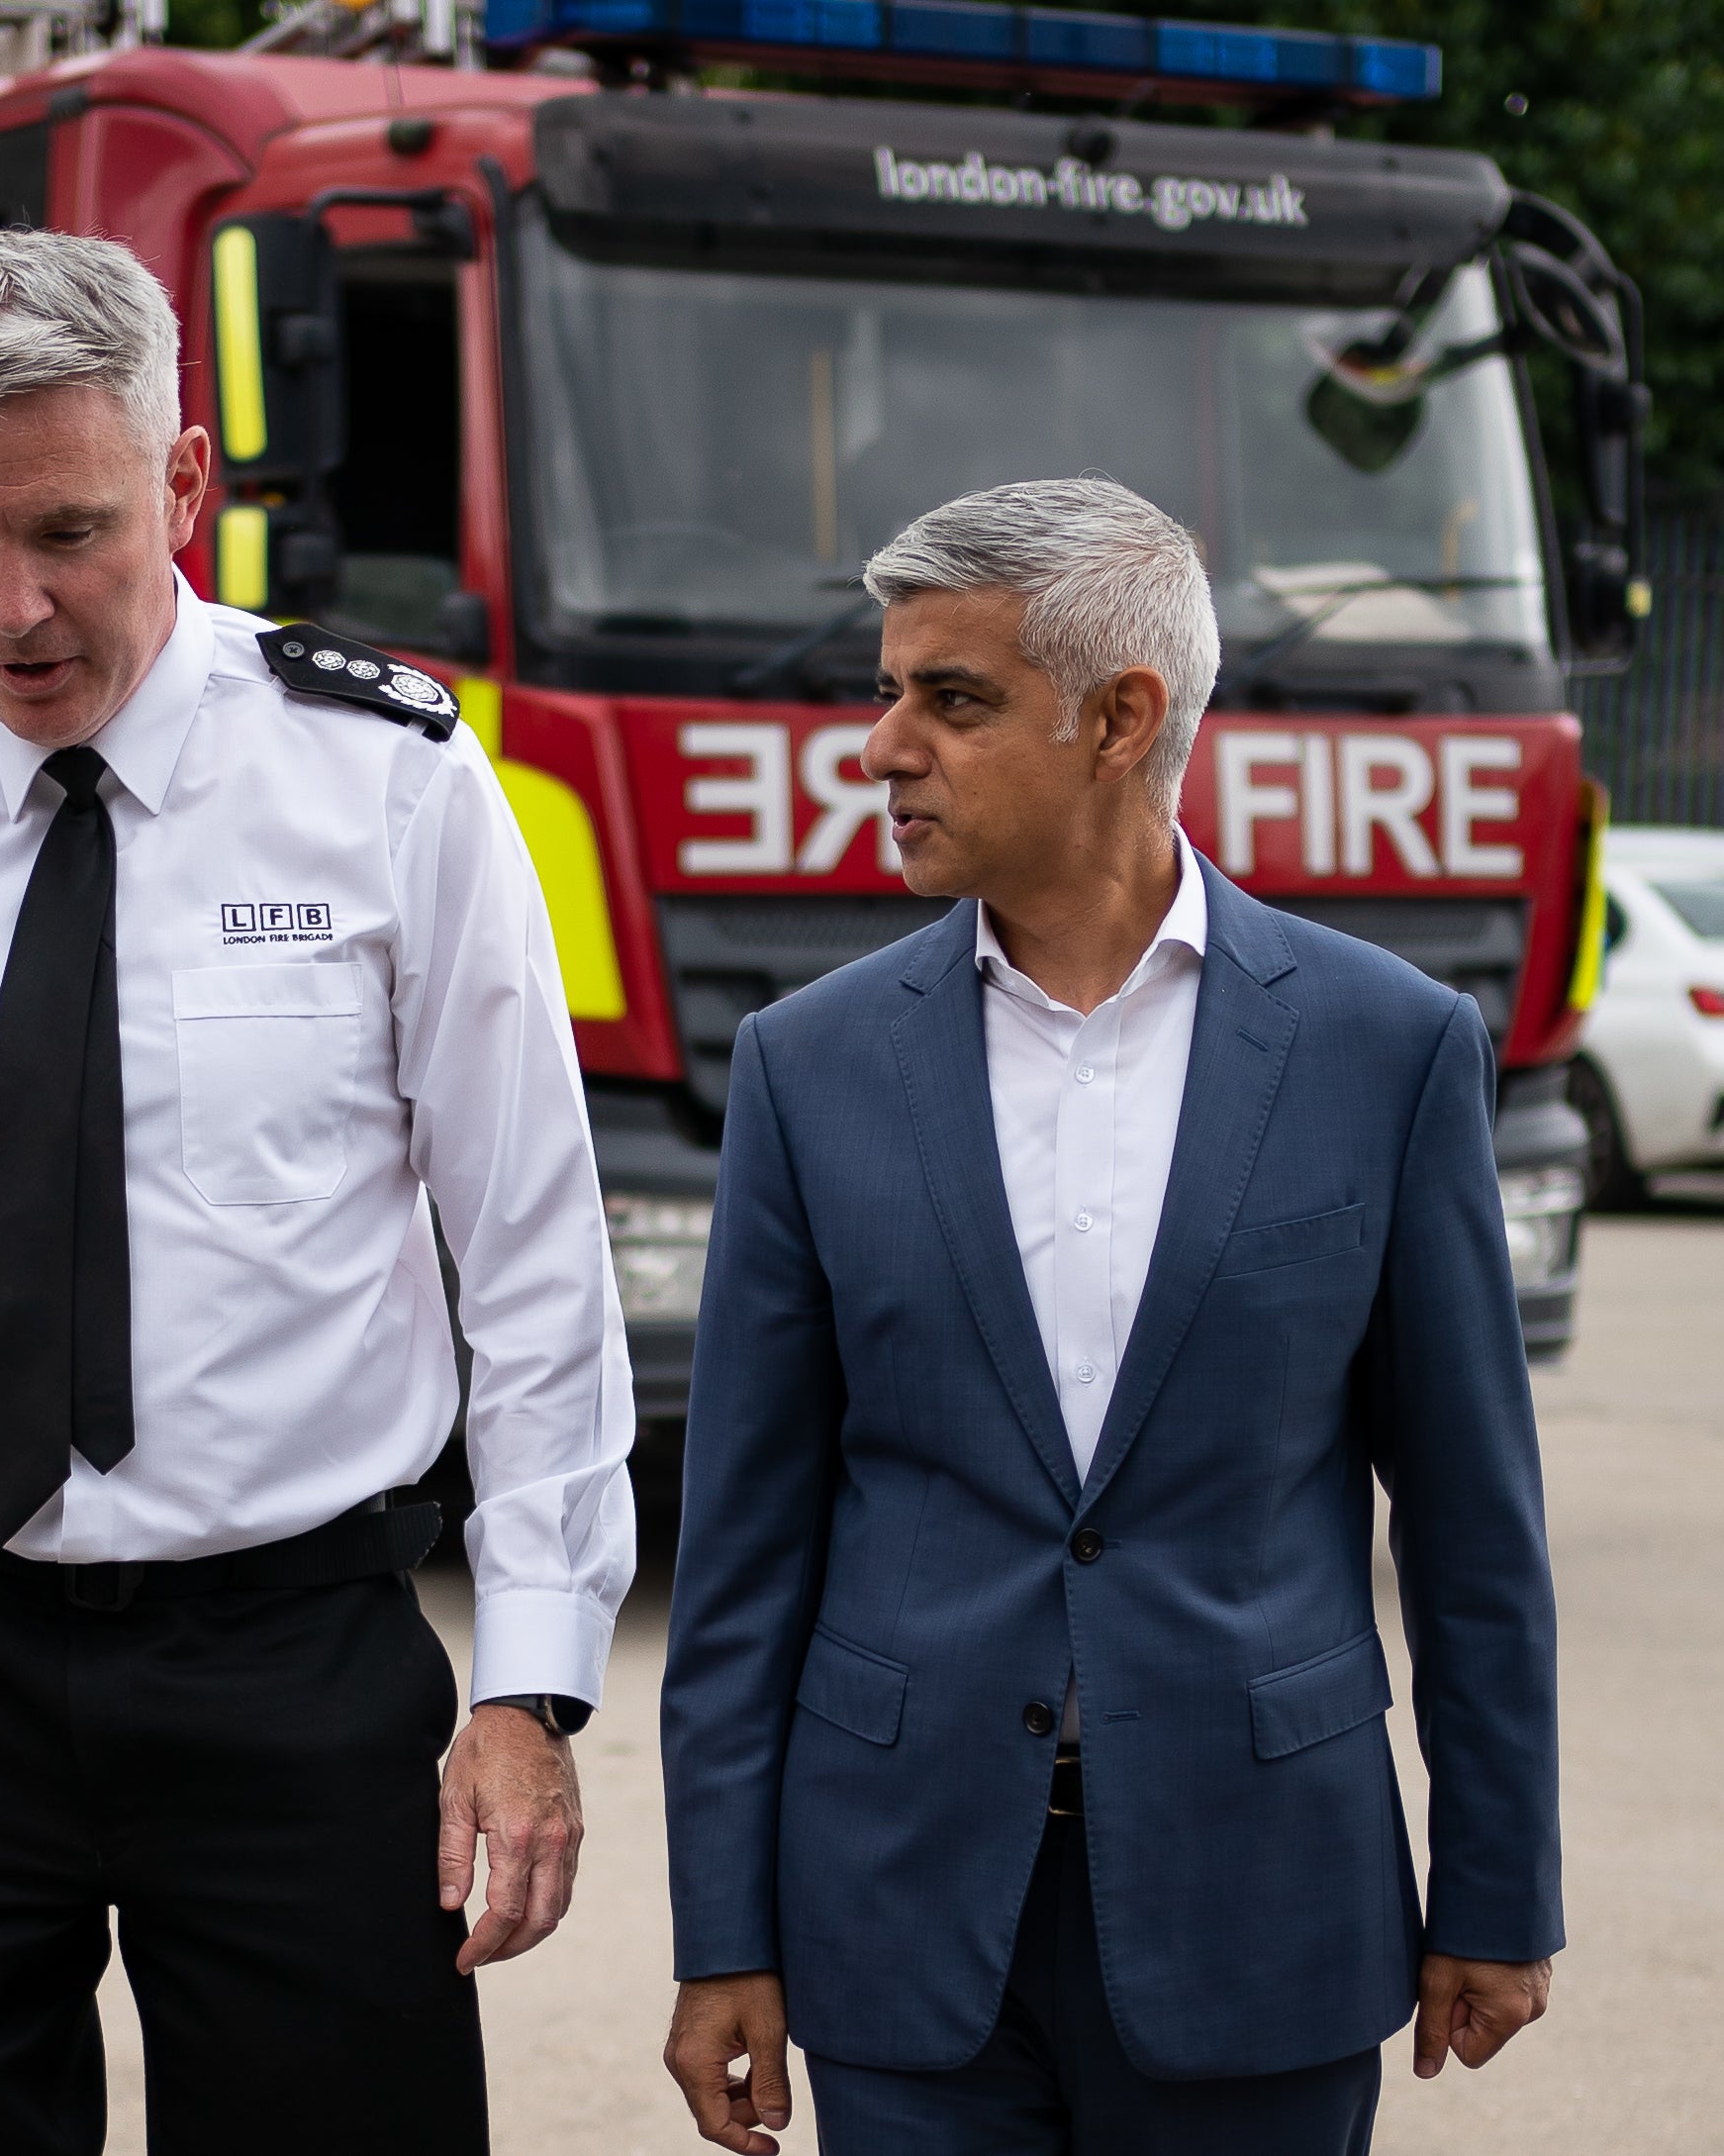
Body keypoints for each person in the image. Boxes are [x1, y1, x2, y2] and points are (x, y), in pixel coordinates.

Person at [0, 228, 634, 2156]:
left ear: (181, 480)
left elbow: (534, 1272)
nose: (8, 612)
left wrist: (533, 1686)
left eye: (65, 532)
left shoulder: (388, 782)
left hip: (289, 1667)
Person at [657, 478, 1561, 2155]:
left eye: (953, 697)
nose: (883, 747)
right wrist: (726, 1927)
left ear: (1121, 720)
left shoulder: (1389, 1048)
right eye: (885, 690)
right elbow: (742, 1558)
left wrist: (1497, 1881)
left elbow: (1472, 1528)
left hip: (1262, 1904)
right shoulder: (808, 1067)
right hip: (901, 1911)